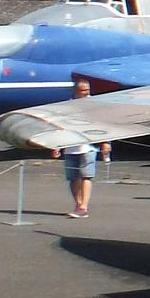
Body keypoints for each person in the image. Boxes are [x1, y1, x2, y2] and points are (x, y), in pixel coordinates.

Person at [58, 78, 108, 218]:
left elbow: (102, 125)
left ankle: (84, 206)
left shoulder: (94, 105)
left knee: (86, 175)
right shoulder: (67, 106)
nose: (86, 93)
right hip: (70, 146)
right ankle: (78, 204)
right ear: (76, 91)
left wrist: (105, 142)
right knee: (73, 178)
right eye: (82, 91)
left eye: (87, 91)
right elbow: (60, 126)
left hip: (88, 146)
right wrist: (56, 144)